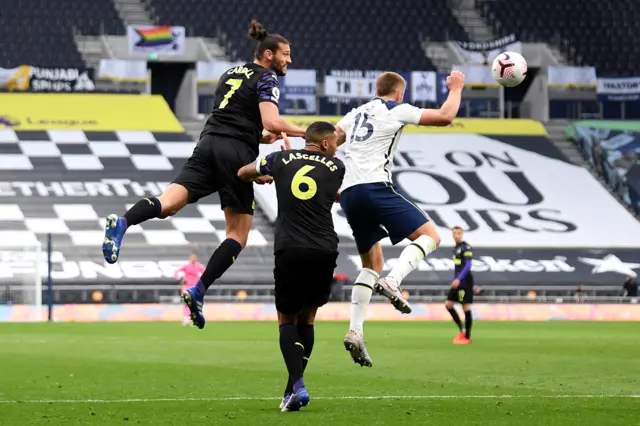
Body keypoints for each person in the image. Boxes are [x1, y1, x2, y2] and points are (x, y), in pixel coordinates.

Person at [101, 20, 306, 329]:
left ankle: (124, 221)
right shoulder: (268, 77)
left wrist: (260, 138)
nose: (288, 60)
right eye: (285, 54)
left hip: (208, 143)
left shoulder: (230, 73)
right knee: (238, 235)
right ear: (267, 55)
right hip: (234, 151)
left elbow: (237, 118)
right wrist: (307, 132)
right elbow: (272, 120)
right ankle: (198, 291)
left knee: (168, 203)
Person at [336, 70, 465, 367]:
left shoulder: (354, 114)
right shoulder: (395, 109)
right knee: (430, 236)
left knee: (372, 265)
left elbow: (329, 139)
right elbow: (445, 116)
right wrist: (455, 88)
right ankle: (394, 282)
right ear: (399, 93)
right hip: (374, 187)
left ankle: (355, 330)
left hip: (350, 195)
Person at [238, 122, 345, 412]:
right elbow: (328, 192)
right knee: (307, 320)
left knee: (286, 320)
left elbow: (243, 172)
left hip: (290, 247)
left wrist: (270, 173)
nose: (337, 145)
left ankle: (297, 384)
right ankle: (291, 390)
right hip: (324, 248)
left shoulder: (279, 159)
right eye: (335, 141)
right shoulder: (337, 166)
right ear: (324, 144)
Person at [445, 226, 474, 344]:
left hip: (465, 281)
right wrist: (455, 279)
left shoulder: (465, 247)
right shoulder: (455, 248)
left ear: (461, 234)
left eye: (458, 233)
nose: (456, 235)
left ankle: (467, 336)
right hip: (457, 281)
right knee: (448, 305)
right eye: (454, 233)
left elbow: (468, 265)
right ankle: (461, 329)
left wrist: (459, 279)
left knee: (465, 307)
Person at [174, 253, 205, 325]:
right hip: (187, 286)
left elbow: (205, 273)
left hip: (195, 287)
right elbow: (177, 271)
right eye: (192, 257)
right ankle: (186, 319)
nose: (193, 259)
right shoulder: (186, 266)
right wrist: (178, 278)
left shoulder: (199, 266)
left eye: (194, 257)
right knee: (187, 302)